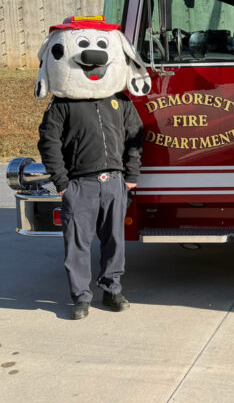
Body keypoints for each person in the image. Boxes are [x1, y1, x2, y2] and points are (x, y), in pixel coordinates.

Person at [36, 16, 148, 320]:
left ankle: (112, 290)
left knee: (115, 242)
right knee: (77, 245)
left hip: (114, 182)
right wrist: (62, 183)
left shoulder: (120, 101)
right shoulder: (61, 105)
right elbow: (48, 143)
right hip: (79, 184)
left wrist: (131, 175)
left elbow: (135, 136)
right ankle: (81, 298)